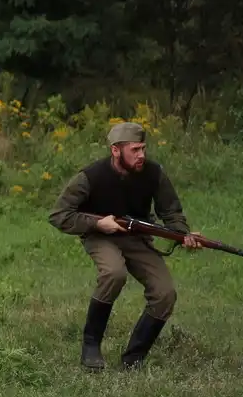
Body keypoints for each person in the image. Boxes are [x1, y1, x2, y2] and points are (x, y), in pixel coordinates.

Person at [48, 120, 209, 371]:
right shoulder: (90, 177)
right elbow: (59, 215)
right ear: (115, 150)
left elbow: (171, 212)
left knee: (165, 293)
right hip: (99, 235)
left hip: (137, 237)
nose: (141, 155)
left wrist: (183, 234)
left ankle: (133, 359)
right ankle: (91, 346)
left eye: (143, 148)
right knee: (114, 273)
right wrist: (98, 223)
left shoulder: (154, 173)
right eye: (134, 150)